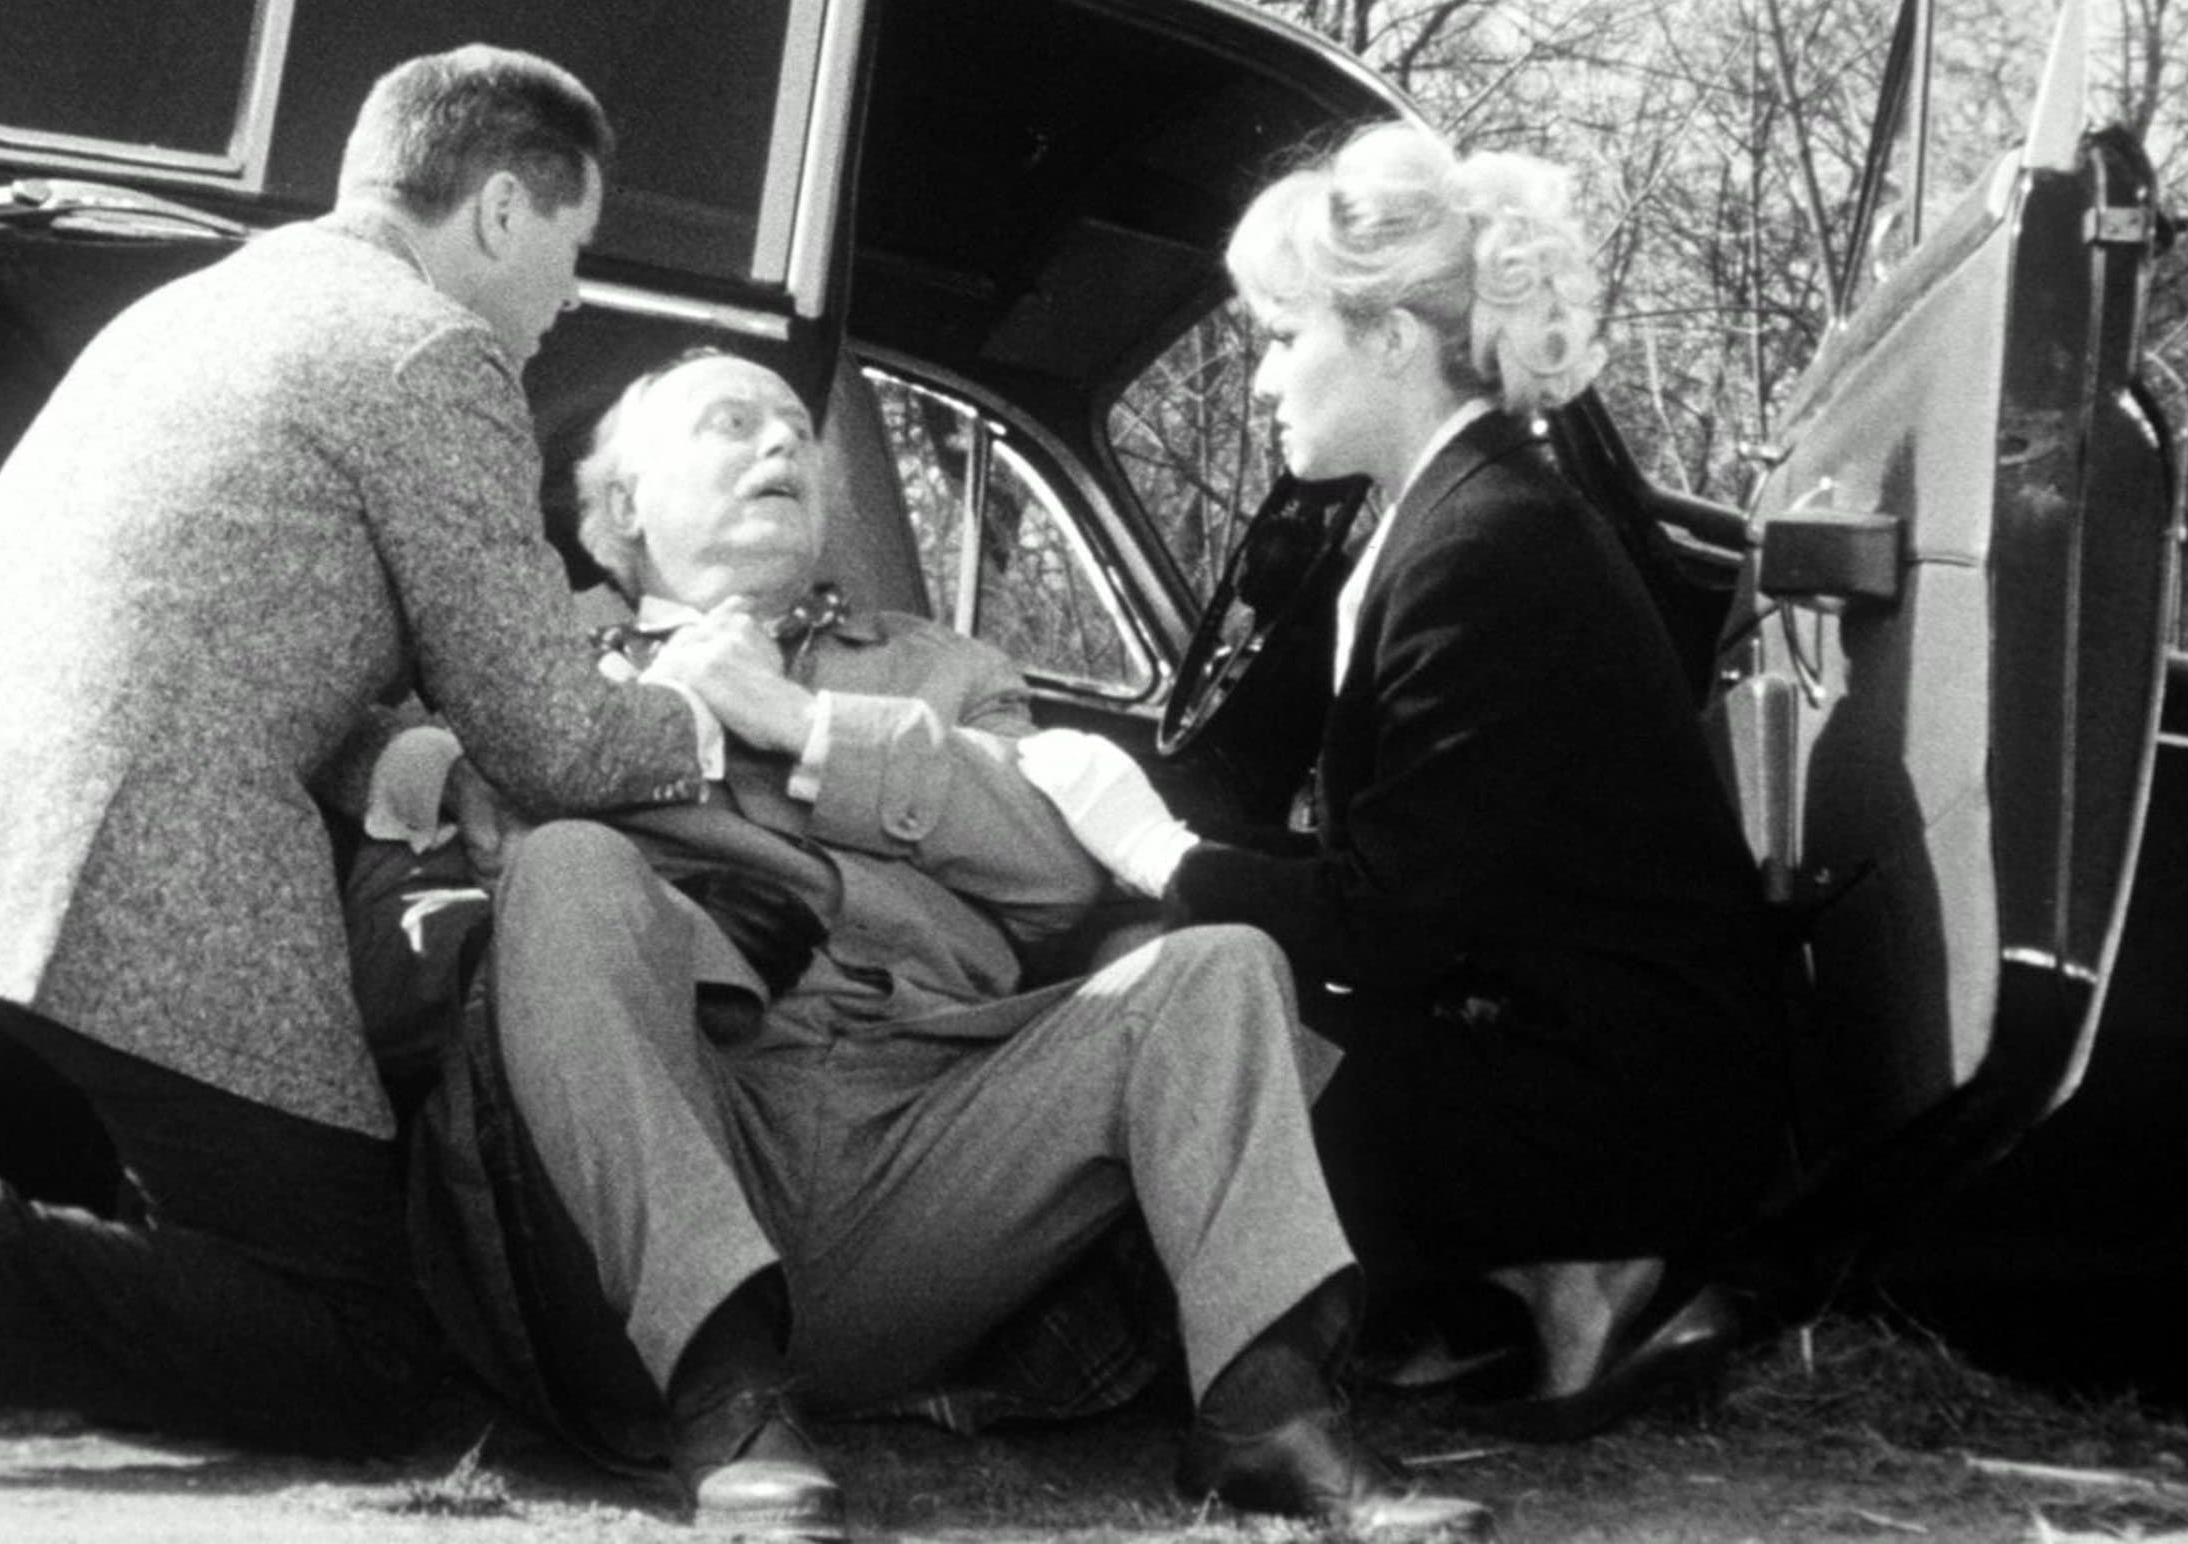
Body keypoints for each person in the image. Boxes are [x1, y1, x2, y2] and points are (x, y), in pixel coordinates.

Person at [0, 46, 732, 1475]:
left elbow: (226, 611)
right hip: (148, 850)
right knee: (375, 1350)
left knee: (246, 1238)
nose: (570, 298)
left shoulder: (195, 305)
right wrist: (710, 710)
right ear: (506, 212)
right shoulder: (429, 348)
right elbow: (559, 733)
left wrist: (409, 763)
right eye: (574, 251)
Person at [425, 350, 1489, 1542]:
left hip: (929, 1155)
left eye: (796, 432)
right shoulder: (531, 669)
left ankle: (1264, 1414)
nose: (783, 446)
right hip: (667, 1133)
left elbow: (1046, 873)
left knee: (1218, 963)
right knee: (570, 871)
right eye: (733, 424)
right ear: (622, 505)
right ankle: (721, 1392)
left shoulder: (948, 672)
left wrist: (800, 725)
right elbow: (435, 851)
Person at [1030, 122, 1790, 1442]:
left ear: (1387, 336)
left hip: (1615, 1102)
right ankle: (1523, 1279)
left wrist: (1157, 858)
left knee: (1201, 1089)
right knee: (1199, 1026)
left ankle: (1581, 1257)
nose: (1263, 378)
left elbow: (1392, 920)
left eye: (1280, 335)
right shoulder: (1451, 516)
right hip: (1575, 1054)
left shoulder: (1487, 547)